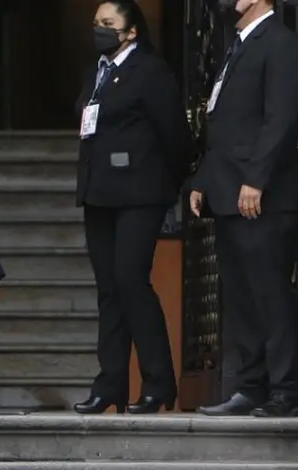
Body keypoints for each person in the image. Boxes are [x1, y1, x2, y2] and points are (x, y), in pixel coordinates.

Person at [190, 0, 298, 418]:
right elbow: (223, 124)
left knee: (270, 295)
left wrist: (256, 179)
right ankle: (251, 386)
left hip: (263, 198)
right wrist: (202, 180)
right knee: (241, 298)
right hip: (227, 193)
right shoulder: (237, 44)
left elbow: (279, 120)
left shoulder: (280, 43)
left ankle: (287, 391)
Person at [72, 0, 191, 415]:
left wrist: (170, 183)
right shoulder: (96, 72)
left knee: (130, 281)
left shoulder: (150, 72)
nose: (99, 29)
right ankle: (111, 385)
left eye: (108, 23)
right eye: (96, 23)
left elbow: (175, 134)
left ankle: (158, 383)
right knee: (109, 289)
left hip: (140, 194)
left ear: (132, 30)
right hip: (98, 193)